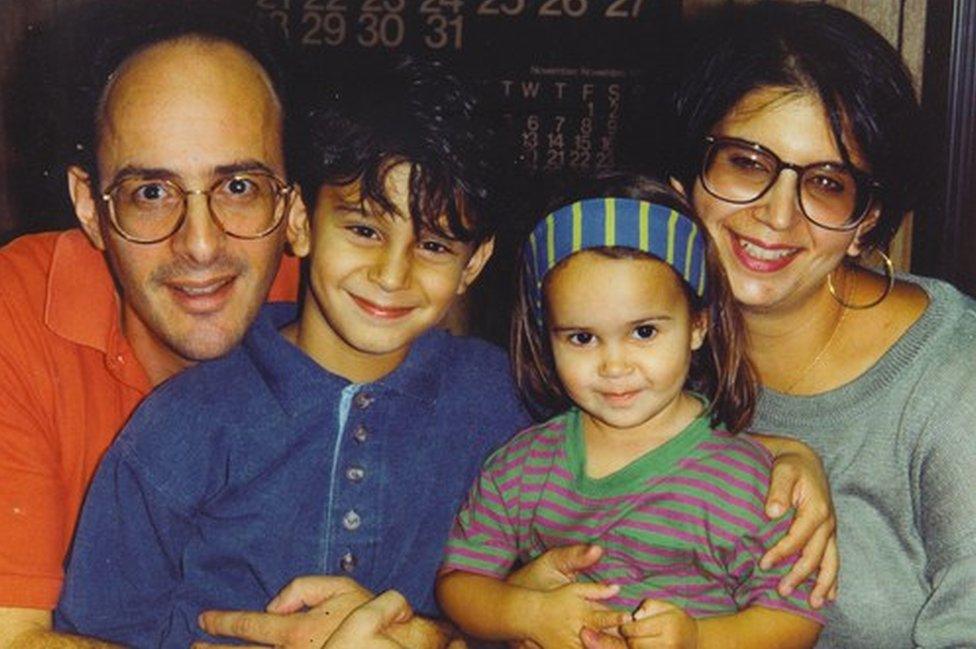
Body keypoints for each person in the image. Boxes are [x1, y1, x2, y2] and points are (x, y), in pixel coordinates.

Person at [54, 56, 526, 648]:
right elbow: (98, 630)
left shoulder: (505, 408)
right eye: (364, 230)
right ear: (300, 221)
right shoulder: (183, 423)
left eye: (432, 244)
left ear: (473, 263)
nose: (390, 273)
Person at [664, 3, 976, 647]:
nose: (778, 216)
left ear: (867, 220)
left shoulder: (953, 378)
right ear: (691, 174)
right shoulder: (640, 339)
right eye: (747, 163)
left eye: (827, 183)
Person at [0, 4, 301, 645]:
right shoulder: (15, 315)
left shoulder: (348, 305)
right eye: (152, 193)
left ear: (292, 201)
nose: (199, 244)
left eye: (240, 187)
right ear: (89, 205)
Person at [436, 174, 823, 648]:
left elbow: (795, 617)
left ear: (698, 324)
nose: (614, 366)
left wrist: (698, 639)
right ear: (547, 337)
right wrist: (528, 613)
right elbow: (459, 583)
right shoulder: (520, 467)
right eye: (581, 337)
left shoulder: (748, 481)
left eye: (643, 332)